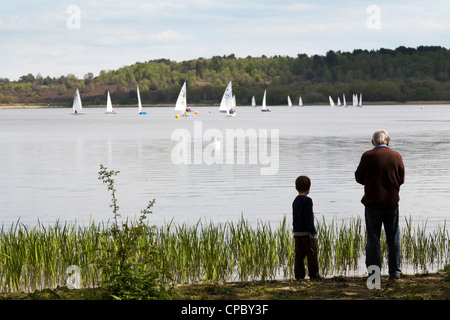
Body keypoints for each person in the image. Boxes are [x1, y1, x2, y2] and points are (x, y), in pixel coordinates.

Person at [355, 130, 405, 279]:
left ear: (373, 142)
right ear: (388, 141)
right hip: (391, 203)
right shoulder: (396, 156)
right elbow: (401, 179)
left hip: (372, 203)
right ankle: (395, 273)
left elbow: (359, 178)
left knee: (373, 239)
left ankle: (374, 275)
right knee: (393, 238)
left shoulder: (367, 156)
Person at [292, 175, 320, 280]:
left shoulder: (295, 201)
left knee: (299, 255)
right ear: (309, 188)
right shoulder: (308, 201)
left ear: (296, 188)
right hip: (306, 233)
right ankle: (314, 275)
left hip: (297, 232)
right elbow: (308, 218)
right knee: (311, 255)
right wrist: (312, 232)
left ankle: (299, 276)